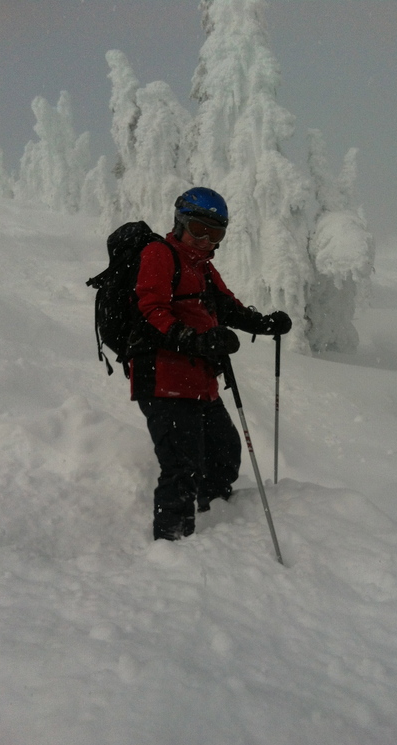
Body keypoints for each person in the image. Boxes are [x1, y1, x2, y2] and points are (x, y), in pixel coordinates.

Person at [127, 187, 292, 541]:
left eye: (215, 234)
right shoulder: (160, 254)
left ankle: (217, 521)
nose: (205, 240)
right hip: (162, 379)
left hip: (197, 381)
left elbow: (228, 307)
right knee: (182, 467)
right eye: (199, 230)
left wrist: (264, 324)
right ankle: (172, 544)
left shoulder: (202, 267)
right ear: (181, 222)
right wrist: (196, 340)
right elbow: (151, 310)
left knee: (224, 454)